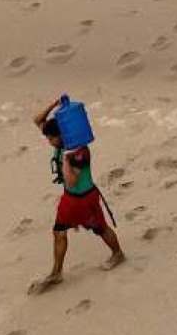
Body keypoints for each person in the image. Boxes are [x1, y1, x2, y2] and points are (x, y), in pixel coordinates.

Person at [29, 95, 125, 294]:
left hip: (84, 198)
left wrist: (66, 160)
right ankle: (56, 272)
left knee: (101, 228)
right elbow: (37, 121)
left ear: (61, 135)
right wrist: (52, 105)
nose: (48, 141)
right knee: (59, 232)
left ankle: (118, 254)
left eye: (50, 138)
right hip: (70, 199)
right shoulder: (60, 142)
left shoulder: (79, 152)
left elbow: (71, 180)